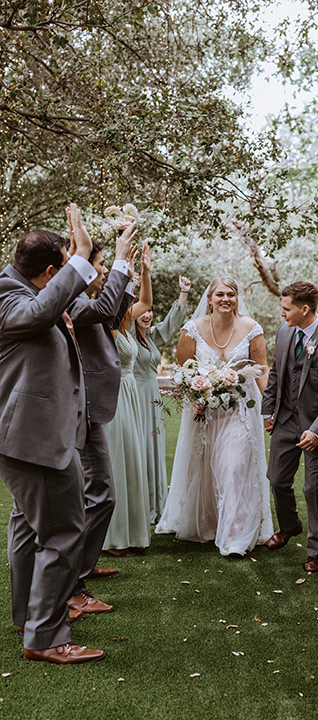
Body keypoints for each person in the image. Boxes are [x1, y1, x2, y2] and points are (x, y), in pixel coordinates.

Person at [0, 204, 105, 664]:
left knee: (29, 526)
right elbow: (41, 313)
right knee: (65, 532)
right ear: (48, 270)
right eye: (61, 267)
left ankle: (29, 615)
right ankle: (46, 637)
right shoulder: (8, 294)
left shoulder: (25, 291)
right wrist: (81, 256)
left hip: (32, 435)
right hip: (33, 439)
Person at [156, 276, 274, 556]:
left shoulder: (251, 328)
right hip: (205, 409)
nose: (225, 299)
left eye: (231, 294)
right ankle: (210, 522)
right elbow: (183, 370)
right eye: (219, 294)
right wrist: (195, 398)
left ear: (237, 298)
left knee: (235, 466)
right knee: (208, 467)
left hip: (241, 407)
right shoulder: (192, 329)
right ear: (209, 299)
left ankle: (235, 537)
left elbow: (262, 368)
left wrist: (269, 406)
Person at [67, 223, 137, 613]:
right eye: (100, 263)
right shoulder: (72, 297)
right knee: (100, 495)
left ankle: (83, 567)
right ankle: (74, 584)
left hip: (93, 408)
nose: (104, 270)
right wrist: (123, 258)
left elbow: (110, 317)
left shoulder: (81, 299)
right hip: (86, 410)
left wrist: (128, 274)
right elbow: (105, 310)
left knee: (99, 496)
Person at [262, 281, 318, 572]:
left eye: (286, 308)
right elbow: (276, 374)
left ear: (304, 309)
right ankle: (289, 526)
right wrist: (268, 410)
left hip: (317, 429)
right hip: (285, 421)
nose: (282, 313)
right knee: (276, 479)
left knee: (314, 489)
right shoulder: (284, 333)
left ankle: (315, 552)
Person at [103, 244, 153, 556]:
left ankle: (133, 534)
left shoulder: (124, 320)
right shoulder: (104, 323)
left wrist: (145, 270)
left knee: (132, 460)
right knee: (118, 462)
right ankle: (113, 538)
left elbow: (146, 301)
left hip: (131, 392)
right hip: (115, 395)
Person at [133, 276, 191, 524]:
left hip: (152, 396)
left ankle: (155, 505)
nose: (147, 315)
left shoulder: (151, 336)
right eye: (142, 311)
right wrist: (131, 285)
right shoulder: (125, 335)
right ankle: (137, 505)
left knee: (153, 447)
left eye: (150, 311)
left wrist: (183, 293)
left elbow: (171, 324)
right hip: (133, 395)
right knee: (138, 448)